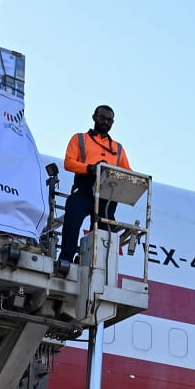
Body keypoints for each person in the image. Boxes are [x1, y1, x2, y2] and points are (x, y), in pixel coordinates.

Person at [56, 105, 131, 274]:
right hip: (84, 185)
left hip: (108, 191)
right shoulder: (79, 139)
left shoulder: (118, 148)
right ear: (94, 117)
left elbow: (128, 172)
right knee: (73, 220)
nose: (106, 122)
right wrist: (90, 168)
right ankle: (66, 259)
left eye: (109, 120)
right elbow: (69, 163)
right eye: (103, 118)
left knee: (103, 229)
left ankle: (95, 265)